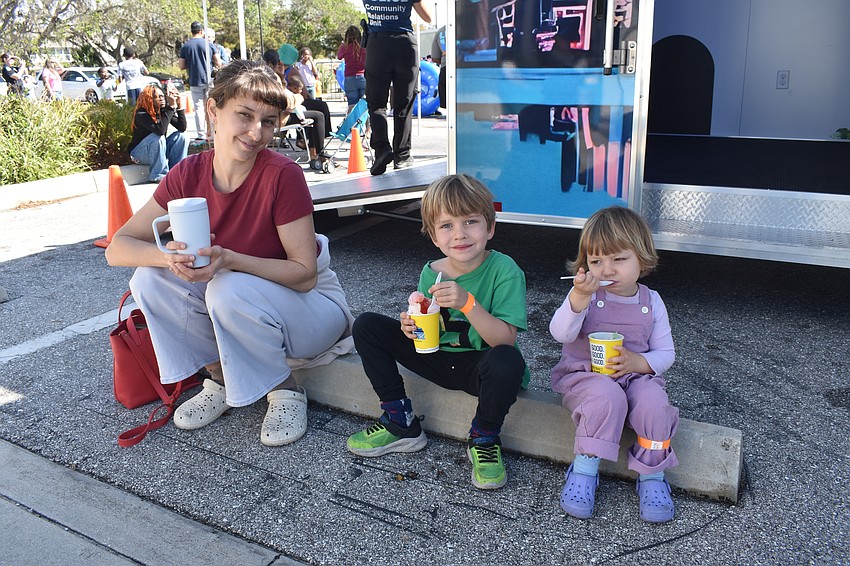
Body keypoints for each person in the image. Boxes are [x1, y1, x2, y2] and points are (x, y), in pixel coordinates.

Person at [105, 60, 355, 447]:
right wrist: (168, 258)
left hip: (313, 309)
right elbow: (119, 247)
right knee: (149, 277)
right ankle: (219, 378)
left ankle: (286, 390)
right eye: (244, 115)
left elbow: (305, 274)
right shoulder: (187, 173)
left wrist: (232, 260)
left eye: (269, 122)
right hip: (247, 305)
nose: (257, 132)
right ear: (213, 109)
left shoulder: (282, 174)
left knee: (226, 286)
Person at [346, 174, 528, 490]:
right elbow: (429, 330)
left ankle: (484, 437)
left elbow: (505, 340)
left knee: (508, 360)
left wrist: (468, 303)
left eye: (470, 222)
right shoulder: (432, 271)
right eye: (446, 226)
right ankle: (399, 419)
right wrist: (410, 326)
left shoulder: (505, 270)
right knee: (367, 326)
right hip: (438, 359)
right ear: (433, 235)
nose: (459, 234)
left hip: (480, 368)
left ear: (490, 228)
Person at [549, 206, 678, 523]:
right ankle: (584, 471)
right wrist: (577, 300)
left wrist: (640, 361)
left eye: (618, 259)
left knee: (654, 404)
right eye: (596, 261)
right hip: (586, 378)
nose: (606, 269)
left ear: (642, 259)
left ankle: (652, 477)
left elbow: (666, 353)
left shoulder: (652, 301)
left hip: (635, 378)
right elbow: (559, 333)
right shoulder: (587, 295)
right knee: (606, 397)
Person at [361, 0, 431, 174]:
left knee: (376, 104)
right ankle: (402, 155)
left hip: (377, 46)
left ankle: (382, 150)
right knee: (404, 103)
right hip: (404, 44)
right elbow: (427, 17)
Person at [127, 83, 189, 183]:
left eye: (162, 96)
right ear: (149, 99)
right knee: (157, 137)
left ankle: (178, 172)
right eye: (158, 97)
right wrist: (171, 107)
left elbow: (182, 127)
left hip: (157, 149)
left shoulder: (163, 111)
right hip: (139, 154)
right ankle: (158, 175)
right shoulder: (141, 114)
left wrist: (179, 106)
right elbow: (160, 130)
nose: (162, 99)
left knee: (182, 136)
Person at [179, 21, 222, 143]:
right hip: (209, 79)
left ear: (191, 31)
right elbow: (219, 62)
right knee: (212, 105)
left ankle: (201, 134)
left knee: (197, 108)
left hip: (194, 80)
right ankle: (214, 132)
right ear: (202, 31)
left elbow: (181, 65)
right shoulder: (209, 44)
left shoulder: (186, 46)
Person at [286, 73, 332, 138]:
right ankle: (311, 144)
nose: (301, 91)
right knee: (317, 115)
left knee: (319, 109)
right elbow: (296, 107)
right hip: (288, 113)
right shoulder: (291, 93)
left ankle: (311, 142)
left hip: (292, 110)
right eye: (300, 89)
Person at [336, 26, 367, 113]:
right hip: (363, 76)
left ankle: (352, 125)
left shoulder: (345, 47)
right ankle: (368, 126)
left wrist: (342, 44)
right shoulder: (364, 47)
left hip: (350, 77)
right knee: (365, 105)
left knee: (352, 105)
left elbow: (339, 56)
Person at [431, 25, 446, 113]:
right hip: (465, 67)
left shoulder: (441, 31)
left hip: (445, 68)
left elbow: (435, 57)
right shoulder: (465, 25)